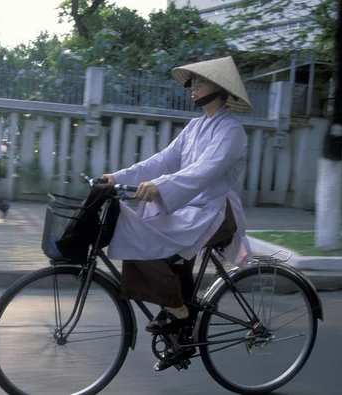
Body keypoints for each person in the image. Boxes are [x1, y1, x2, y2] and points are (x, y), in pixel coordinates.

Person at [102, 56, 253, 371]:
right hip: (187, 208)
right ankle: (180, 323)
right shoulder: (196, 126)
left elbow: (203, 172)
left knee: (146, 241)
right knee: (145, 235)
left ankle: (179, 312)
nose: (193, 88)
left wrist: (159, 187)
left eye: (199, 82)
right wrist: (118, 177)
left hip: (215, 211)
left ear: (220, 88)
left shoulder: (232, 132)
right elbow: (162, 160)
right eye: (192, 83)